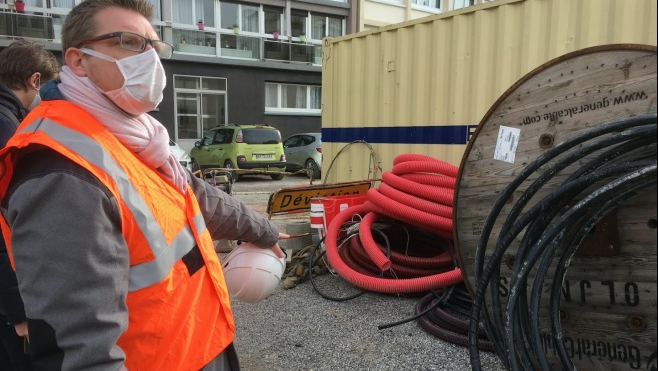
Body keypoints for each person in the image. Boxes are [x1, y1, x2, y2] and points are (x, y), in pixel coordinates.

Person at [0, 1, 288, 370]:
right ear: (77, 60)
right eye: (127, 41)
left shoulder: (129, 136)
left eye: (153, 46)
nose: (148, 58)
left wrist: (263, 230)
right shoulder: (60, 172)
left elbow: (190, 196)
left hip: (197, 345)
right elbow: (81, 347)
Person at [0, 39, 60, 371]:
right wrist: (18, 310)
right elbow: (5, 226)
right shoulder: (7, 130)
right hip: (10, 302)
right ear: (34, 80)